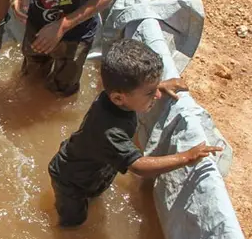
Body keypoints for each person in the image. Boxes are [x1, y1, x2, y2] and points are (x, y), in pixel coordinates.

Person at [48, 39, 223, 227]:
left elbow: (134, 93)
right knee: (74, 223)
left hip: (88, 168)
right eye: (150, 92)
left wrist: (159, 86)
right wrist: (187, 157)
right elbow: (139, 167)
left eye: (156, 89)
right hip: (71, 182)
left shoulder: (114, 97)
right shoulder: (110, 132)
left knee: (93, 196)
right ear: (118, 98)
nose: (156, 96)